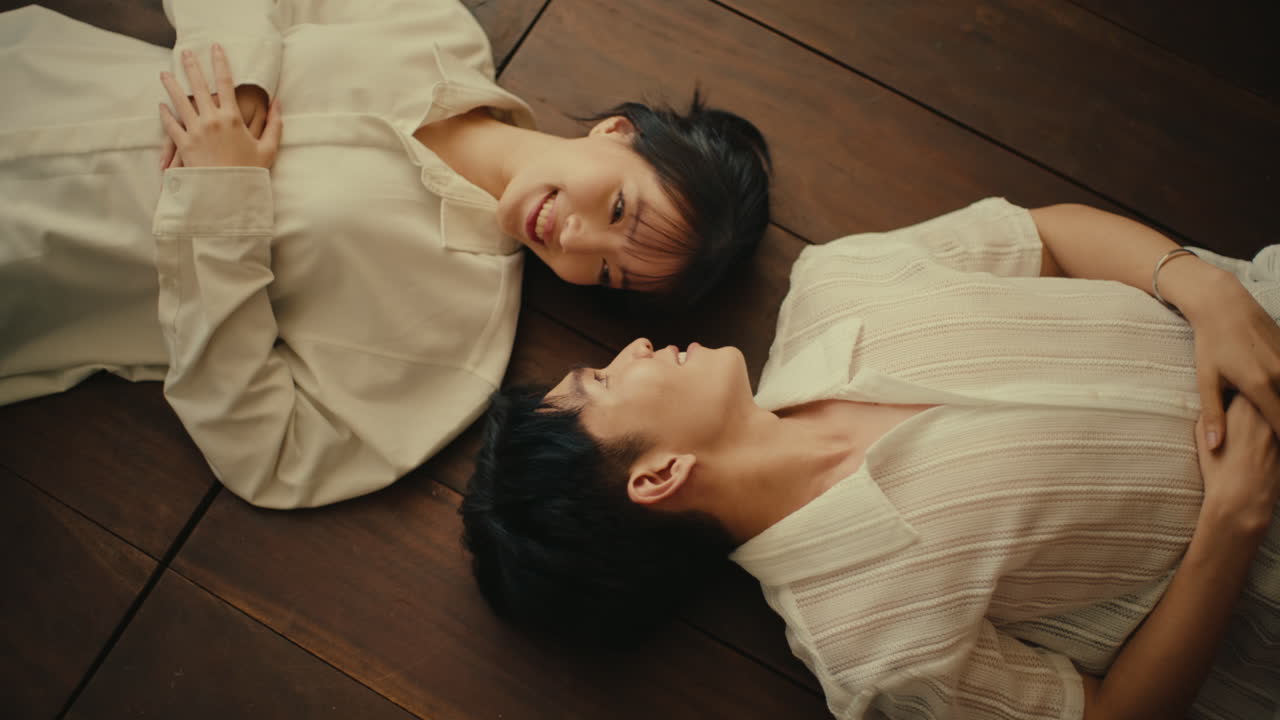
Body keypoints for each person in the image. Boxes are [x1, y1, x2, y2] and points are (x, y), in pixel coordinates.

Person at [461, 198, 1280, 719]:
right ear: (658, 477)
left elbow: (1046, 235)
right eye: (602, 381)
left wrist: (1202, 290)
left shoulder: (839, 281)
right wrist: (1233, 524)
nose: (633, 345)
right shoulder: (870, 644)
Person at [0, 1, 771, 508]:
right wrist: (239, 87)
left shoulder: (457, 341)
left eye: (607, 271)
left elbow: (272, 455)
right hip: (31, 73)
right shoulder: (433, 29)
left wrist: (221, 202)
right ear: (619, 132)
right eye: (617, 209)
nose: (576, 241)